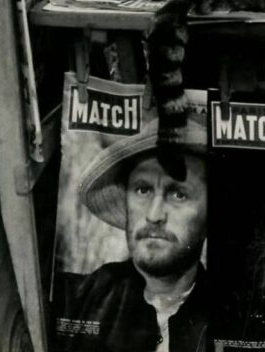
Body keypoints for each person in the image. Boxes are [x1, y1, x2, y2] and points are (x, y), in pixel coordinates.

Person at [58, 117, 207, 351]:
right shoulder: (76, 301)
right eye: (143, 189)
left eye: (178, 194)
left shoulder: (238, 317)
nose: (154, 215)